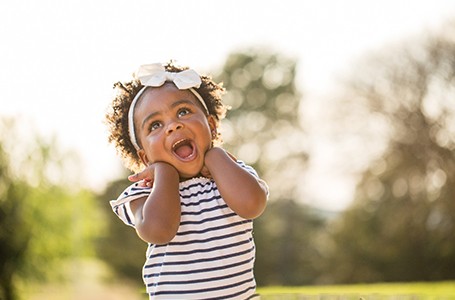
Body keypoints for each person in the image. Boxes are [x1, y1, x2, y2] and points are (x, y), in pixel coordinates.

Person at [105, 61, 269, 299]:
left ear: (211, 127)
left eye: (183, 111)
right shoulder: (143, 193)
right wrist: (165, 174)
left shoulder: (230, 174)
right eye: (155, 125)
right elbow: (159, 230)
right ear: (144, 156)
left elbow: (253, 205)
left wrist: (216, 155)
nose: (173, 126)